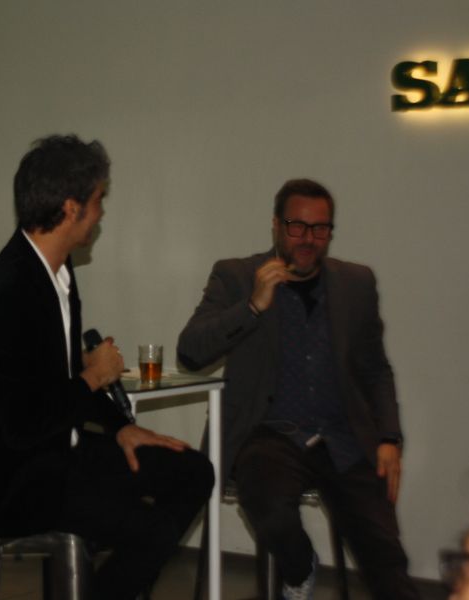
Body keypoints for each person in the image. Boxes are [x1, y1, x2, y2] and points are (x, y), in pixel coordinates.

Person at [0, 135, 214, 600]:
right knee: (148, 528)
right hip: (12, 481)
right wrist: (93, 377)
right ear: (71, 208)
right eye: (98, 200)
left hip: (57, 454)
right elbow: (24, 425)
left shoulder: (58, 272)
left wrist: (120, 428)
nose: (101, 212)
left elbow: (62, 381)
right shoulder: (9, 293)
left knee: (192, 471)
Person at [177, 178, 419, 600]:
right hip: (269, 433)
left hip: (344, 436)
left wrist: (389, 437)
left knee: (385, 557)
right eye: (297, 226)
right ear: (275, 225)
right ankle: (300, 566)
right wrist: (253, 306)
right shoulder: (236, 275)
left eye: (320, 228)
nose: (308, 239)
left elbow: (376, 369)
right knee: (269, 508)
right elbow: (190, 352)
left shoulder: (356, 283)